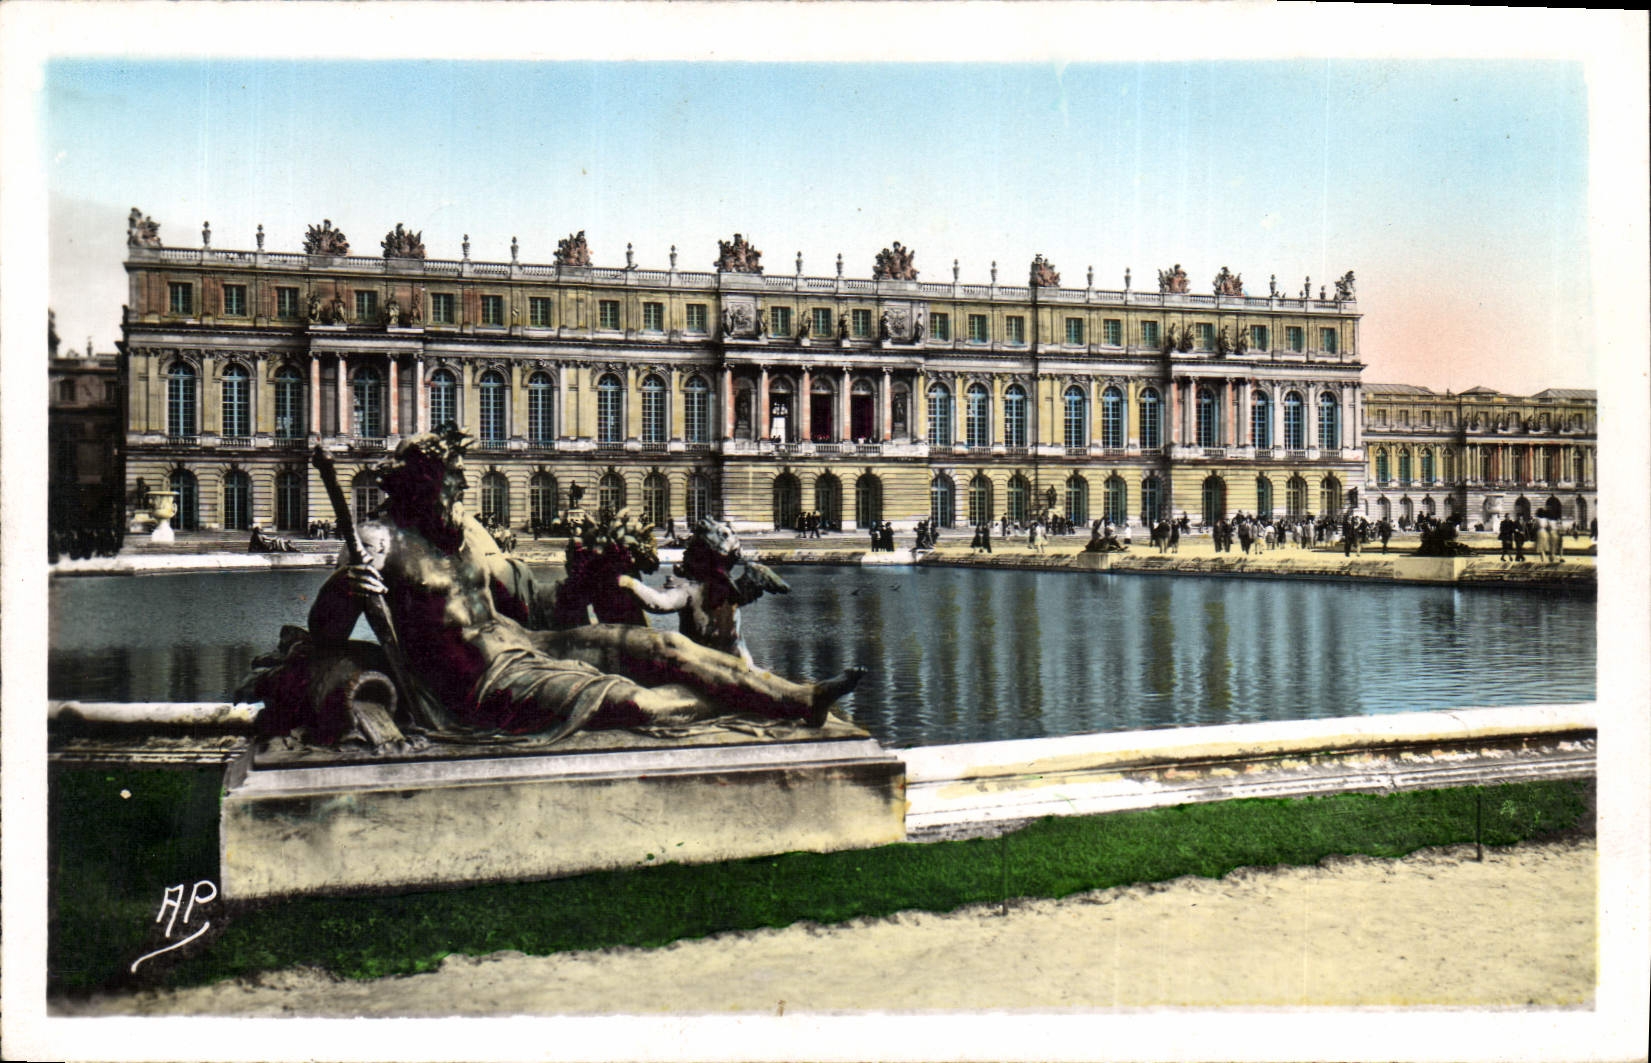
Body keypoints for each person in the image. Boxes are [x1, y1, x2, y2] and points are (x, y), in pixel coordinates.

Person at [306, 428, 864, 739]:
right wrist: (345, 589)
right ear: (419, 487)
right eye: (451, 483)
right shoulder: (378, 541)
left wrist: (588, 575)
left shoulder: (468, 530)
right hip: (477, 687)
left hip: (525, 645)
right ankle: (734, 702)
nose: (462, 490)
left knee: (664, 644)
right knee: (638, 706)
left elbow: (526, 599)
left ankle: (798, 698)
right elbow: (325, 631)